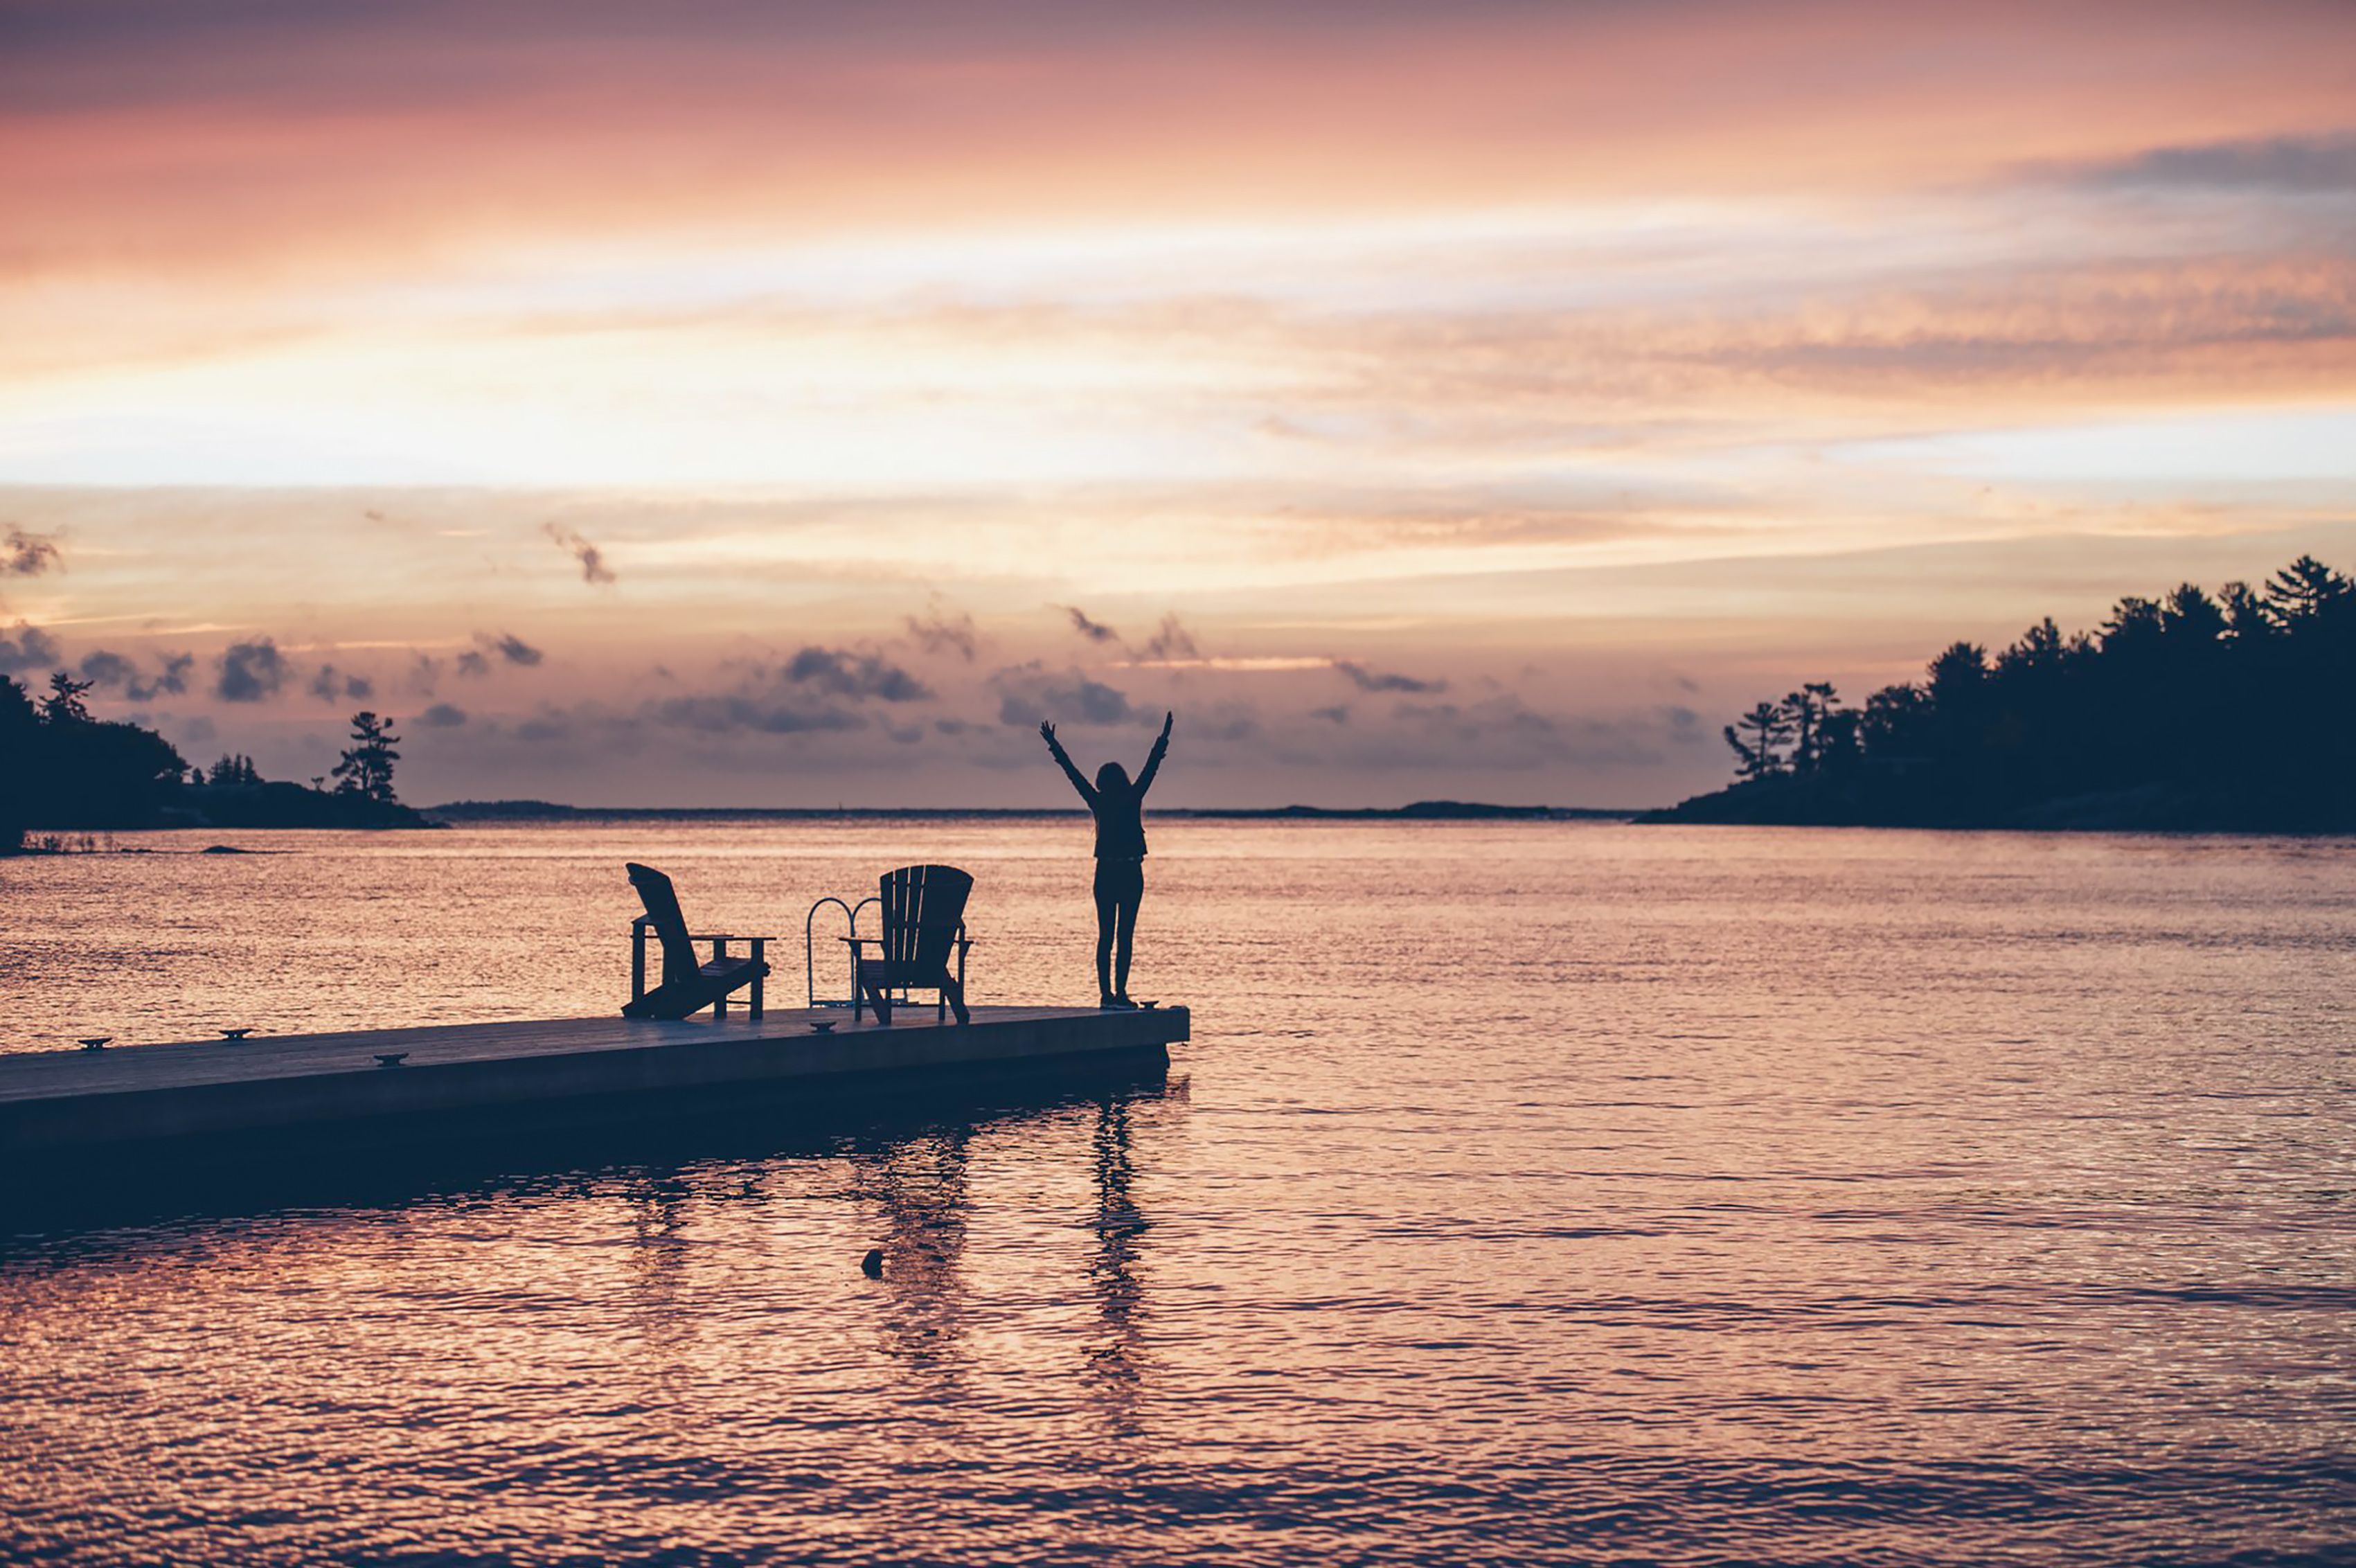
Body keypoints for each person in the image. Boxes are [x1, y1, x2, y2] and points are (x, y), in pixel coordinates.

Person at [1040, 711, 1172, 1009]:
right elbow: (1152, 768)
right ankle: (1118, 995)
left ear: (1102, 782)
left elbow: (1072, 773)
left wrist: (1055, 746)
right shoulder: (1131, 796)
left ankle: (1109, 996)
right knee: (1123, 937)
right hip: (1128, 872)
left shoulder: (1100, 800)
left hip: (1108, 874)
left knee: (1107, 937)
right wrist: (1163, 739)